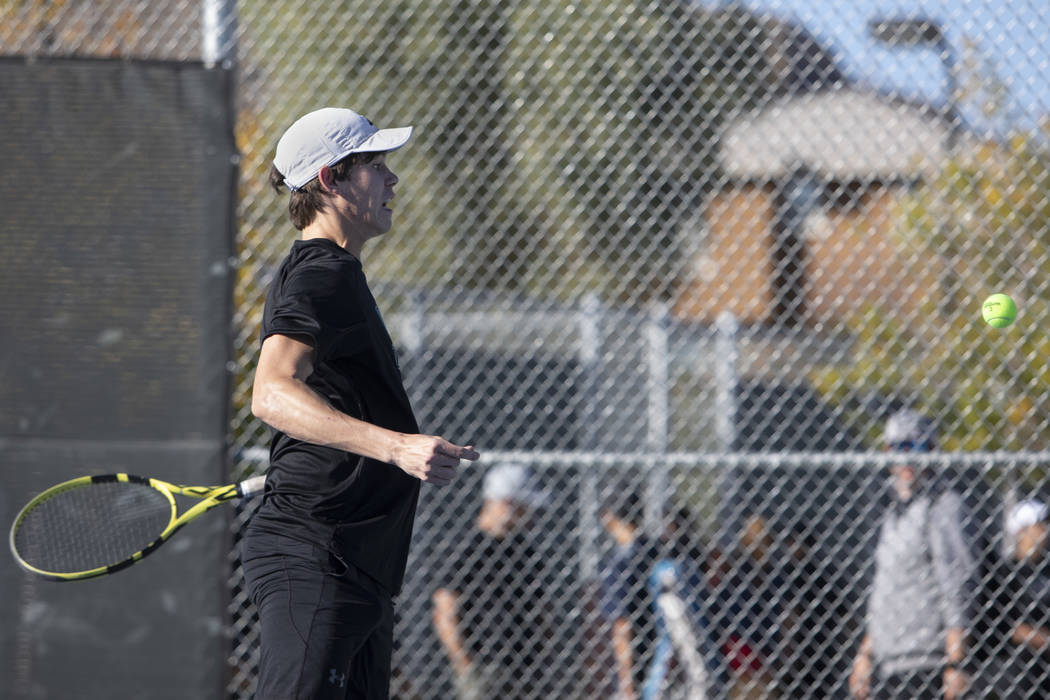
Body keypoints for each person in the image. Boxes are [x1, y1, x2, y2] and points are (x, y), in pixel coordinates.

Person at [241, 107, 480, 700]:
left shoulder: (338, 273)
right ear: (330, 180)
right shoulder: (320, 273)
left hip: (358, 563)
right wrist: (396, 447)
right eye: (375, 165)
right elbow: (271, 393)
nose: (392, 179)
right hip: (314, 553)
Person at [849, 409, 977, 700]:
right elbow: (885, 592)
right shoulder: (892, 512)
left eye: (918, 447)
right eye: (900, 447)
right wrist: (865, 655)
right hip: (888, 662)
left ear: (932, 451)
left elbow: (957, 584)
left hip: (927, 663)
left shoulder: (943, 506)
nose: (909, 458)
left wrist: (956, 662)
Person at [432, 463, 554, 700]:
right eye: (526, 508)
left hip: (526, 668)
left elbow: (541, 609)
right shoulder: (466, 549)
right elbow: (445, 611)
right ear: (507, 503)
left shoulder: (524, 551)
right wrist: (465, 666)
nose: (533, 516)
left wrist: (544, 658)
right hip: (485, 666)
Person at [597, 490, 663, 700]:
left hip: (638, 668)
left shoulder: (619, 564)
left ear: (608, 517)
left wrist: (626, 683)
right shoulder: (655, 550)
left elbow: (622, 626)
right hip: (663, 656)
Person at [986, 498, 1050, 698]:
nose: (1046, 530)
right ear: (1021, 530)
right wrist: (1040, 638)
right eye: (1039, 525)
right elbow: (1002, 624)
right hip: (1020, 674)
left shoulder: (1046, 571)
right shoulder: (1005, 574)